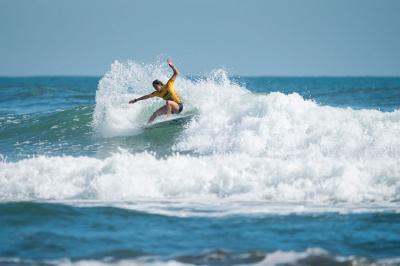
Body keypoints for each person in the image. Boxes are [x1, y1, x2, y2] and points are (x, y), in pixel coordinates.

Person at [129, 59, 183, 123]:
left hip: (178, 106)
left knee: (168, 102)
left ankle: (168, 118)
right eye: (154, 87)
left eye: (156, 86)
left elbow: (176, 73)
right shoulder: (157, 93)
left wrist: (172, 66)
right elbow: (147, 96)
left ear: (160, 85)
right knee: (155, 114)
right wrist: (136, 100)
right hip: (171, 109)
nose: (155, 88)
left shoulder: (168, 85)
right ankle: (147, 125)